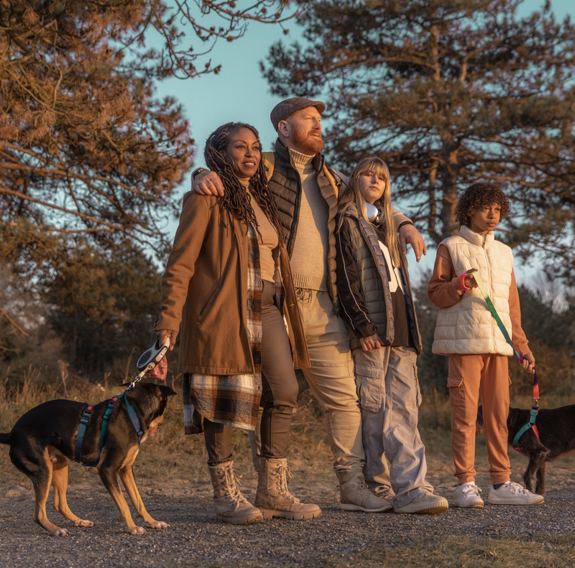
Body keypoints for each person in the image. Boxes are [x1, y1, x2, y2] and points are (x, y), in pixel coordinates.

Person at [193, 98, 427, 512]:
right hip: (273, 301)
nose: (319, 125)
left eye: (320, 120)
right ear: (284, 127)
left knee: (344, 400)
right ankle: (267, 490)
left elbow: (373, 200)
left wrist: (404, 223)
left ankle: (352, 485)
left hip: (324, 305)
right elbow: (225, 172)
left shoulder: (332, 178)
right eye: (310, 120)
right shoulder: (262, 165)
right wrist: (200, 174)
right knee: (268, 393)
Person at [155, 122, 321, 524]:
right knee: (224, 400)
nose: (250, 154)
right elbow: (180, 264)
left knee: (283, 391)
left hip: (269, 307)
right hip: (224, 311)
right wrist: (168, 320)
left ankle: (273, 491)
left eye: (255, 147)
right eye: (239, 147)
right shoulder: (205, 198)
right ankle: (226, 496)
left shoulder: (262, 198)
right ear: (220, 153)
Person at [334, 157, 449, 515]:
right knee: (374, 413)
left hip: (401, 335)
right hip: (372, 334)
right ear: (354, 180)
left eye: (382, 178)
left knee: (403, 410)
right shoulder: (346, 222)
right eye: (368, 174)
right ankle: (378, 487)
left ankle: (413, 488)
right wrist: (362, 326)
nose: (375, 180)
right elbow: (345, 277)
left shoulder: (388, 227)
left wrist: (405, 224)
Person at [427, 182, 543, 508]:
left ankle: (500, 483)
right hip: (465, 345)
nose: (492, 214)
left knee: (498, 417)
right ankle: (465, 484)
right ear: (469, 210)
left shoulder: (504, 252)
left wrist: (523, 347)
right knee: (465, 417)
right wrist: (459, 285)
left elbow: (512, 307)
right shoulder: (450, 246)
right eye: (485, 208)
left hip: (499, 349)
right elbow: (435, 293)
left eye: (497, 209)